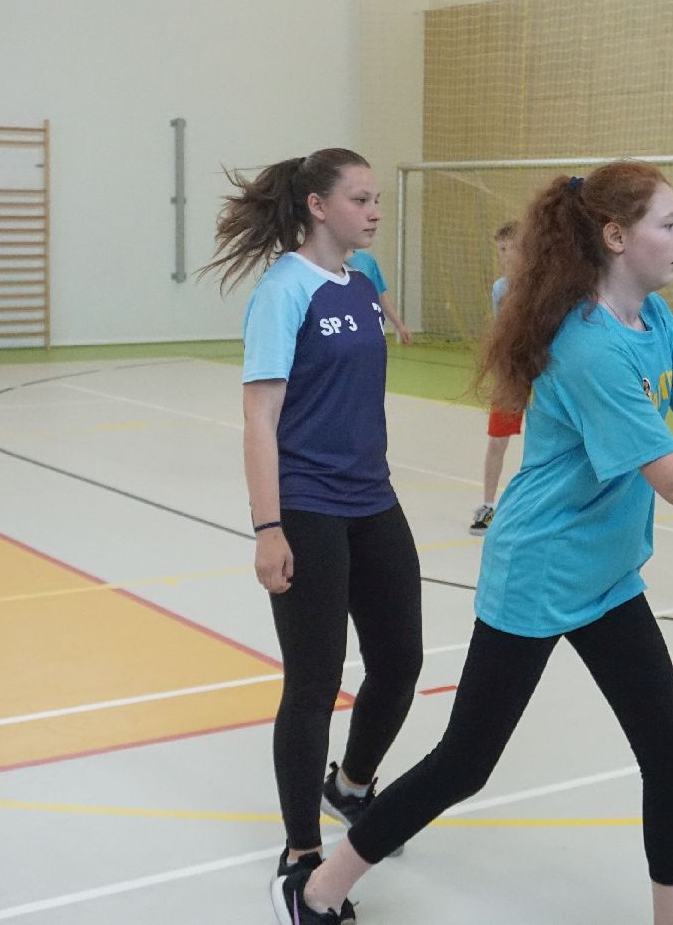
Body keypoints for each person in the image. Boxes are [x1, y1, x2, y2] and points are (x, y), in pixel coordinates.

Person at [273, 160, 673, 925]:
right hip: (540, 572)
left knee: (670, 752)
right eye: (669, 224)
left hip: (607, 575)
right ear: (616, 237)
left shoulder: (651, 320)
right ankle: (318, 886)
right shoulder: (589, 347)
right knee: (466, 762)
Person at [200, 148, 421, 923]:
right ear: (319, 206)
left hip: (373, 499)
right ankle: (300, 855)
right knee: (314, 680)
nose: (375, 210)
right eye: (361, 198)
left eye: (376, 197)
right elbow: (260, 417)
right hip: (306, 505)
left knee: (400, 661)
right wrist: (269, 527)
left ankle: (350, 785)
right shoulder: (283, 292)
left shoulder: (360, 285)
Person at [470, 220, 522, 535]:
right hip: (512, 376)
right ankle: (488, 505)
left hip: (546, 375)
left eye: (507, 249)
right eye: (499, 249)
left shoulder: (544, 284)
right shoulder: (500, 289)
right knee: (497, 441)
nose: (502, 256)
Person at [344, 247, 413, 345]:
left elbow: (381, 296)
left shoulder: (367, 261)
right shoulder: (324, 261)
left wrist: (400, 326)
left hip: (364, 330)